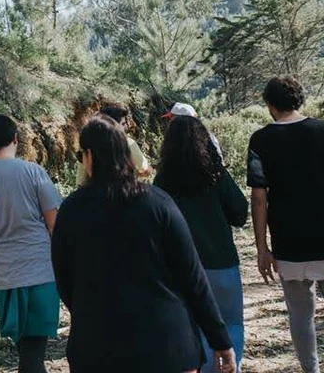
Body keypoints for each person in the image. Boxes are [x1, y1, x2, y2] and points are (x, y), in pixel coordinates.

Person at [52, 115, 237, 373]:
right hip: (167, 345)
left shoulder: (71, 210)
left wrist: (94, 309)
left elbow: (65, 281)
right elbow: (192, 277)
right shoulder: (157, 202)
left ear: (90, 156)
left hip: (98, 349)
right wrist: (220, 339)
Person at [0, 114, 62, 373]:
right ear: (16, 139)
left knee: (26, 350)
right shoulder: (33, 172)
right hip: (39, 272)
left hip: (2, 276)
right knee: (33, 352)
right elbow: (55, 224)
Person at [155, 115, 248, 373]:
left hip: (183, 270)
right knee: (232, 323)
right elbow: (240, 213)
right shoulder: (216, 175)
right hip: (222, 263)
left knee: (195, 327)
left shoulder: (162, 182)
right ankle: (230, 367)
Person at [247, 76, 324, 373]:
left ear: (269, 104)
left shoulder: (260, 140)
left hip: (288, 242)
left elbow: (258, 198)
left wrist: (261, 247)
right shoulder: (321, 131)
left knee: (300, 314)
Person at [76, 104, 150, 186]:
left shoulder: (89, 145)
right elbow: (145, 171)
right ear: (113, 126)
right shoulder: (128, 143)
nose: (126, 127)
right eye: (123, 124)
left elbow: (81, 182)